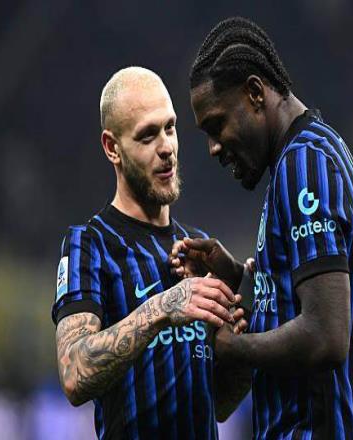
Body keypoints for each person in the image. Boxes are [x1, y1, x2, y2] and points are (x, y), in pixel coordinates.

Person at [173, 17, 353, 439]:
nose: (213, 147)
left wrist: (235, 348)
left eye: (216, 124)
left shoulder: (306, 166)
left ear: (254, 93)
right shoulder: (301, 159)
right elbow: (299, 300)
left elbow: (325, 335)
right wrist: (236, 276)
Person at [51, 66, 246, 439]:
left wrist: (242, 344)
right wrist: (163, 308)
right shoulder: (89, 246)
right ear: (112, 148)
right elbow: (74, 374)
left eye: (170, 128)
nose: (166, 148)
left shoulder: (198, 249)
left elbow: (220, 404)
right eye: (147, 135)